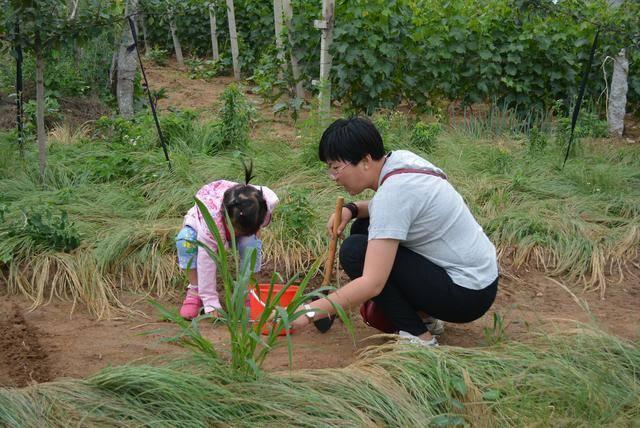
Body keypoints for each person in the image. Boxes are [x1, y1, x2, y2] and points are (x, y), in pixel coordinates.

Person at [292, 117, 498, 346]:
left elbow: (373, 283)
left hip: (466, 294)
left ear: (365, 160)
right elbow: (400, 210)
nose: (334, 178)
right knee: (362, 226)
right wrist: (352, 209)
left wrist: (308, 312)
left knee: (354, 252)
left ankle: (420, 337)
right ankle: (425, 317)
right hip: (479, 280)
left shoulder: (393, 194)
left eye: (336, 168)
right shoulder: (399, 161)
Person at [176, 162, 279, 319]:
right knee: (185, 240)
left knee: (251, 244)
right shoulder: (211, 221)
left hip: (239, 221)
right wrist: (210, 301)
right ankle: (195, 291)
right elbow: (207, 261)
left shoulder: (261, 206)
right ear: (224, 216)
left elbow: (255, 235)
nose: (239, 233)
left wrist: (252, 234)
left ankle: (247, 292)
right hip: (199, 230)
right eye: (238, 230)